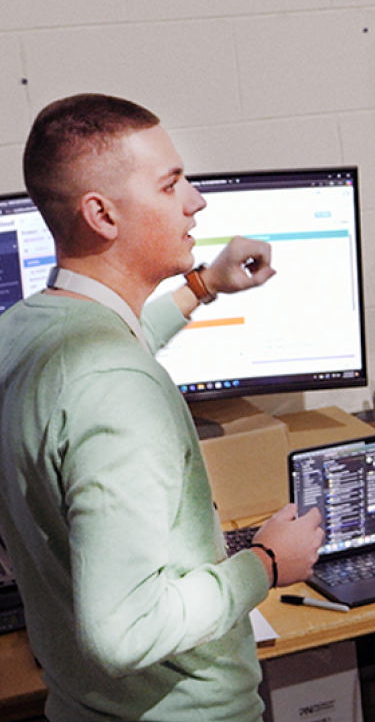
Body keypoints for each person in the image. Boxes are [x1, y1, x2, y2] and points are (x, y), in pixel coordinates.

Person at [0, 93, 324, 722]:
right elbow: (124, 632)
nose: (196, 201)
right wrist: (264, 562)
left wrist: (201, 287)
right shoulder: (119, 388)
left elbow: (102, 355)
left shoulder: (27, 330)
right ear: (102, 214)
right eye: (172, 184)